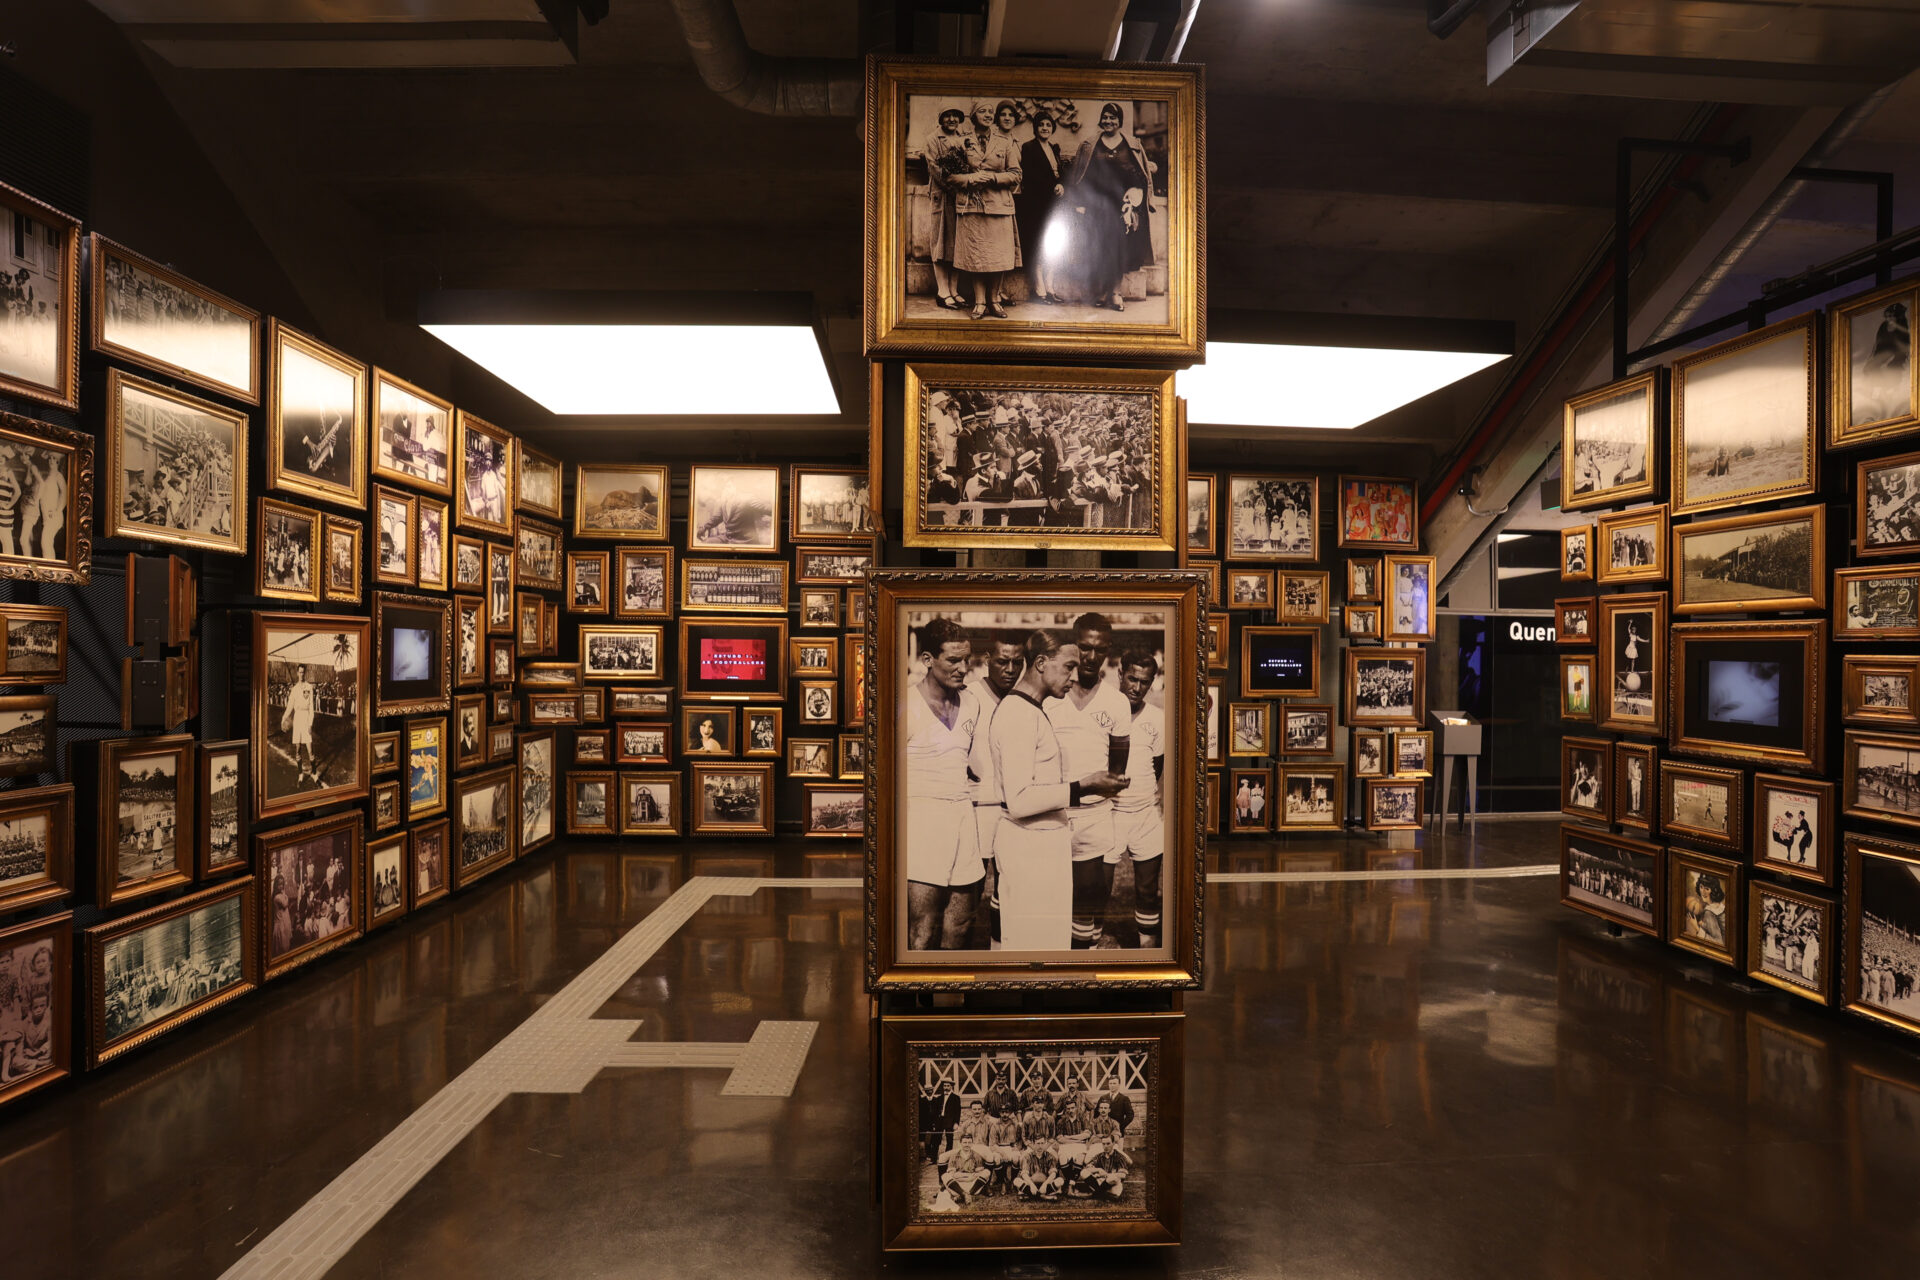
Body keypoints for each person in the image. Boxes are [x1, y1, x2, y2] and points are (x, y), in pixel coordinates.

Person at [990, 629, 1126, 951]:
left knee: (1048, 948)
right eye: (1068, 667)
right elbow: (1019, 800)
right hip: (1029, 848)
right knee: (1032, 953)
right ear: (1041, 663)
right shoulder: (1019, 714)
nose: (1075, 676)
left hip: (1041, 845)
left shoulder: (1030, 709)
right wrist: (1084, 786)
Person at [1043, 613, 1131, 949]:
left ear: (1109, 650)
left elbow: (1117, 768)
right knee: (1050, 899)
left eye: (1100, 649)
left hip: (1095, 815)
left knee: (1089, 903)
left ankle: (1083, 964)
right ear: (1073, 644)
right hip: (1054, 811)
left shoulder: (1116, 702)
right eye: (1084, 647)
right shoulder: (1051, 695)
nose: (1092, 657)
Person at [905, 618, 986, 950]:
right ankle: (915, 984)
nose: (963, 668)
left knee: (961, 925)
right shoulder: (904, 704)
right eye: (953, 660)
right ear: (927, 659)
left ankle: (952, 984)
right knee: (922, 930)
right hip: (920, 823)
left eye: (966, 659)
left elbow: (971, 763)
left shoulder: (972, 703)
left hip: (963, 819)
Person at [1065, 102, 1155, 312]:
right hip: (1095, 206)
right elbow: (1080, 175)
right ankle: (1102, 292)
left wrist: (1135, 197)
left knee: (1118, 248)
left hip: (1121, 207)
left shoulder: (1133, 144)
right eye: (1105, 117)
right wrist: (1079, 202)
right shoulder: (1089, 144)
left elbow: (1140, 175)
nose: (1108, 121)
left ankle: (1115, 293)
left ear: (1119, 121)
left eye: (1113, 118)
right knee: (1098, 249)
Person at [968, 634, 1024, 948]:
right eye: (1003, 661)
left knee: (1009, 890)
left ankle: (999, 953)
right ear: (988, 659)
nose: (1010, 669)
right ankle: (959, 959)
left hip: (1012, 809)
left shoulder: (1026, 697)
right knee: (970, 890)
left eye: (1017, 662)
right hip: (977, 808)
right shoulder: (969, 696)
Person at [951, 100, 1023, 321]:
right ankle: (980, 302)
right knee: (977, 256)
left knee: (999, 256)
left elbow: (1016, 174)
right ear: (973, 116)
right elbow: (950, 176)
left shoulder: (1005, 142)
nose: (988, 115)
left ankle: (994, 300)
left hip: (1000, 206)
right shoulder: (962, 141)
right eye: (983, 111)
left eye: (991, 112)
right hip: (972, 206)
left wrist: (992, 177)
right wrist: (971, 179)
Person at [1114, 653, 1166, 947]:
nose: (1136, 687)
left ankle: (1148, 951)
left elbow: (1157, 766)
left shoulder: (1157, 718)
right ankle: (1087, 951)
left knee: (1148, 889)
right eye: (1132, 678)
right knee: (1096, 888)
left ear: (1152, 682)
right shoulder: (1104, 709)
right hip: (1108, 811)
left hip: (1146, 812)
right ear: (1120, 673)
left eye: (1144, 682)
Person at [1014, 110, 1069, 304]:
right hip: (1036, 204)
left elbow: (1059, 173)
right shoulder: (1028, 148)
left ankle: (1050, 286)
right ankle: (1039, 289)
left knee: (1053, 244)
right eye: (1041, 125)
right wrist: (1051, 186)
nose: (1045, 128)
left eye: (1048, 125)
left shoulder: (1054, 148)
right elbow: (1030, 176)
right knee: (1038, 244)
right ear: (1035, 128)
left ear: (1052, 128)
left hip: (1054, 205)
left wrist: (1061, 184)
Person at [924, 106, 971, 311]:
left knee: (957, 243)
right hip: (942, 196)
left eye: (955, 116)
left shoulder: (963, 138)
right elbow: (935, 169)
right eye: (947, 116)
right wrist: (956, 186)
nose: (952, 119)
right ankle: (942, 291)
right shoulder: (933, 139)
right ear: (941, 119)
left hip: (960, 197)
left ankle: (954, 289)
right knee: (940, 242)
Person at [281, 663, 318, 782]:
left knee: (310, 749)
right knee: (297, 749)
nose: (301, 674)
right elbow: (290, 706)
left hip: (306, 718)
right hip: (297, 719)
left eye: (303, 672)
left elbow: (311, 707)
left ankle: (314, 773)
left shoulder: (309, 687)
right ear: (297, 673)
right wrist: (283, 718)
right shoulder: (294, 689)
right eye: (300, 672)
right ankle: (300, 774)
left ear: (305, 673)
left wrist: (310, 723)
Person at [1079, 1134, 1132, 1199]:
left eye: (1108, 1144)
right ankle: (1101, 1194)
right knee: (1083, 1172)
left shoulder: (1119, 1157)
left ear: (1113, 1143)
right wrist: (1098, 1169)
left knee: (1113, 1178)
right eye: (1103, 1144)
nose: (1105, 1146)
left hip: (1112, 1184)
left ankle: (1095, 1194)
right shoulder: (1099, 1156)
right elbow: (1088, 1168)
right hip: (1101, 1181)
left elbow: (1123, 1175)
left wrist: (1106, 1174)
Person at [940, 1137, 989, 1206]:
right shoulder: (954, 1155)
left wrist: (969, 1177)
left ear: (972, 1144)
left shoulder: (976, 1155)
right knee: (945, 1176)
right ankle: (965, 1194)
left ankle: (965, 1195)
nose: (967, 1145)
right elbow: (951, 1173)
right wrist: (966, 1176)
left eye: (969, 1142)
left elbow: (979, 1172)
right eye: (965, 1142)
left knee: (987, 1172)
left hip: (972, 1185)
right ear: (960, 1143)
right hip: (957, 1185)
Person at [921, 1080, 961, 1162]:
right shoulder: (939, 1098)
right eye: (944, 1086)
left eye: (948, 1086)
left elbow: (958, 1111)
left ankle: (947, 1158)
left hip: (950, 1121)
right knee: (936, 1139)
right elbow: (935, 1112)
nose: (946, 1087)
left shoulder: (956, 1098)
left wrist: (956, 1123)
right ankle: (933, 1159)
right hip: (940, 1121)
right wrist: (934, 1122)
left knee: (949, 1140)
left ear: (951, 1086)